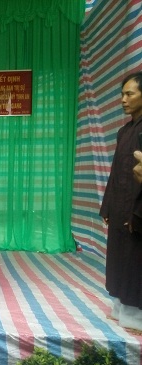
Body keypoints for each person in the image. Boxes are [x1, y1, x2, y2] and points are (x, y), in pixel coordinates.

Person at [100, 71, 142, 333]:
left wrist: (136, 212)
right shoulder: (124, 130)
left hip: (137, 210)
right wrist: (107, 207)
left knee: (134, 261)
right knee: (117, 259)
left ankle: (135, 316)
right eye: (122, 94)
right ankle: (119, 308)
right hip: (119, 207)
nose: (123, 100)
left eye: (130, 94)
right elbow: (116, 172)